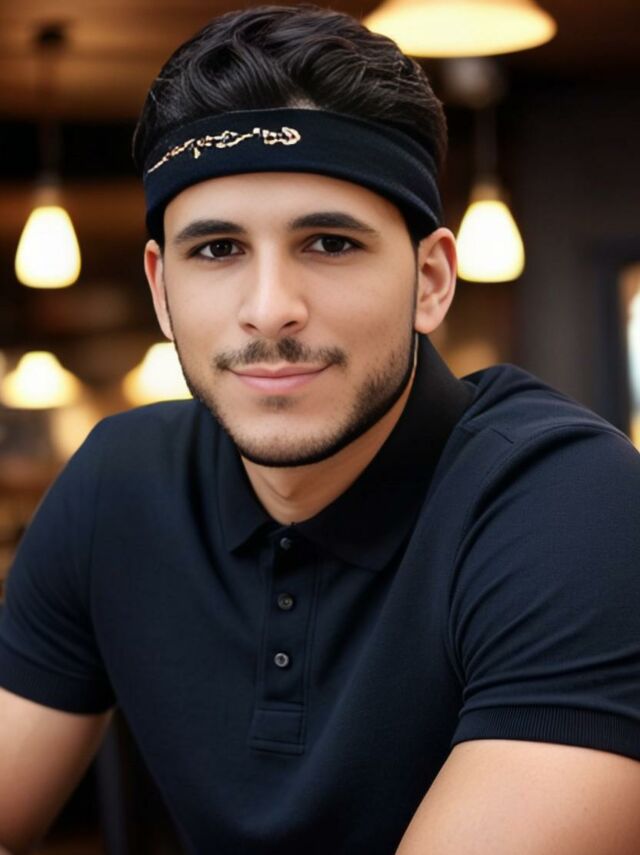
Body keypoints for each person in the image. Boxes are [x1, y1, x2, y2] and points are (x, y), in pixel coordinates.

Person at [1, 4, 640, 853]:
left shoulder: (571, 502)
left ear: (430, 280)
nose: (270, 309)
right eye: (218, 250)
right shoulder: (117, 484)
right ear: (161, 291)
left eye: (330, 243)